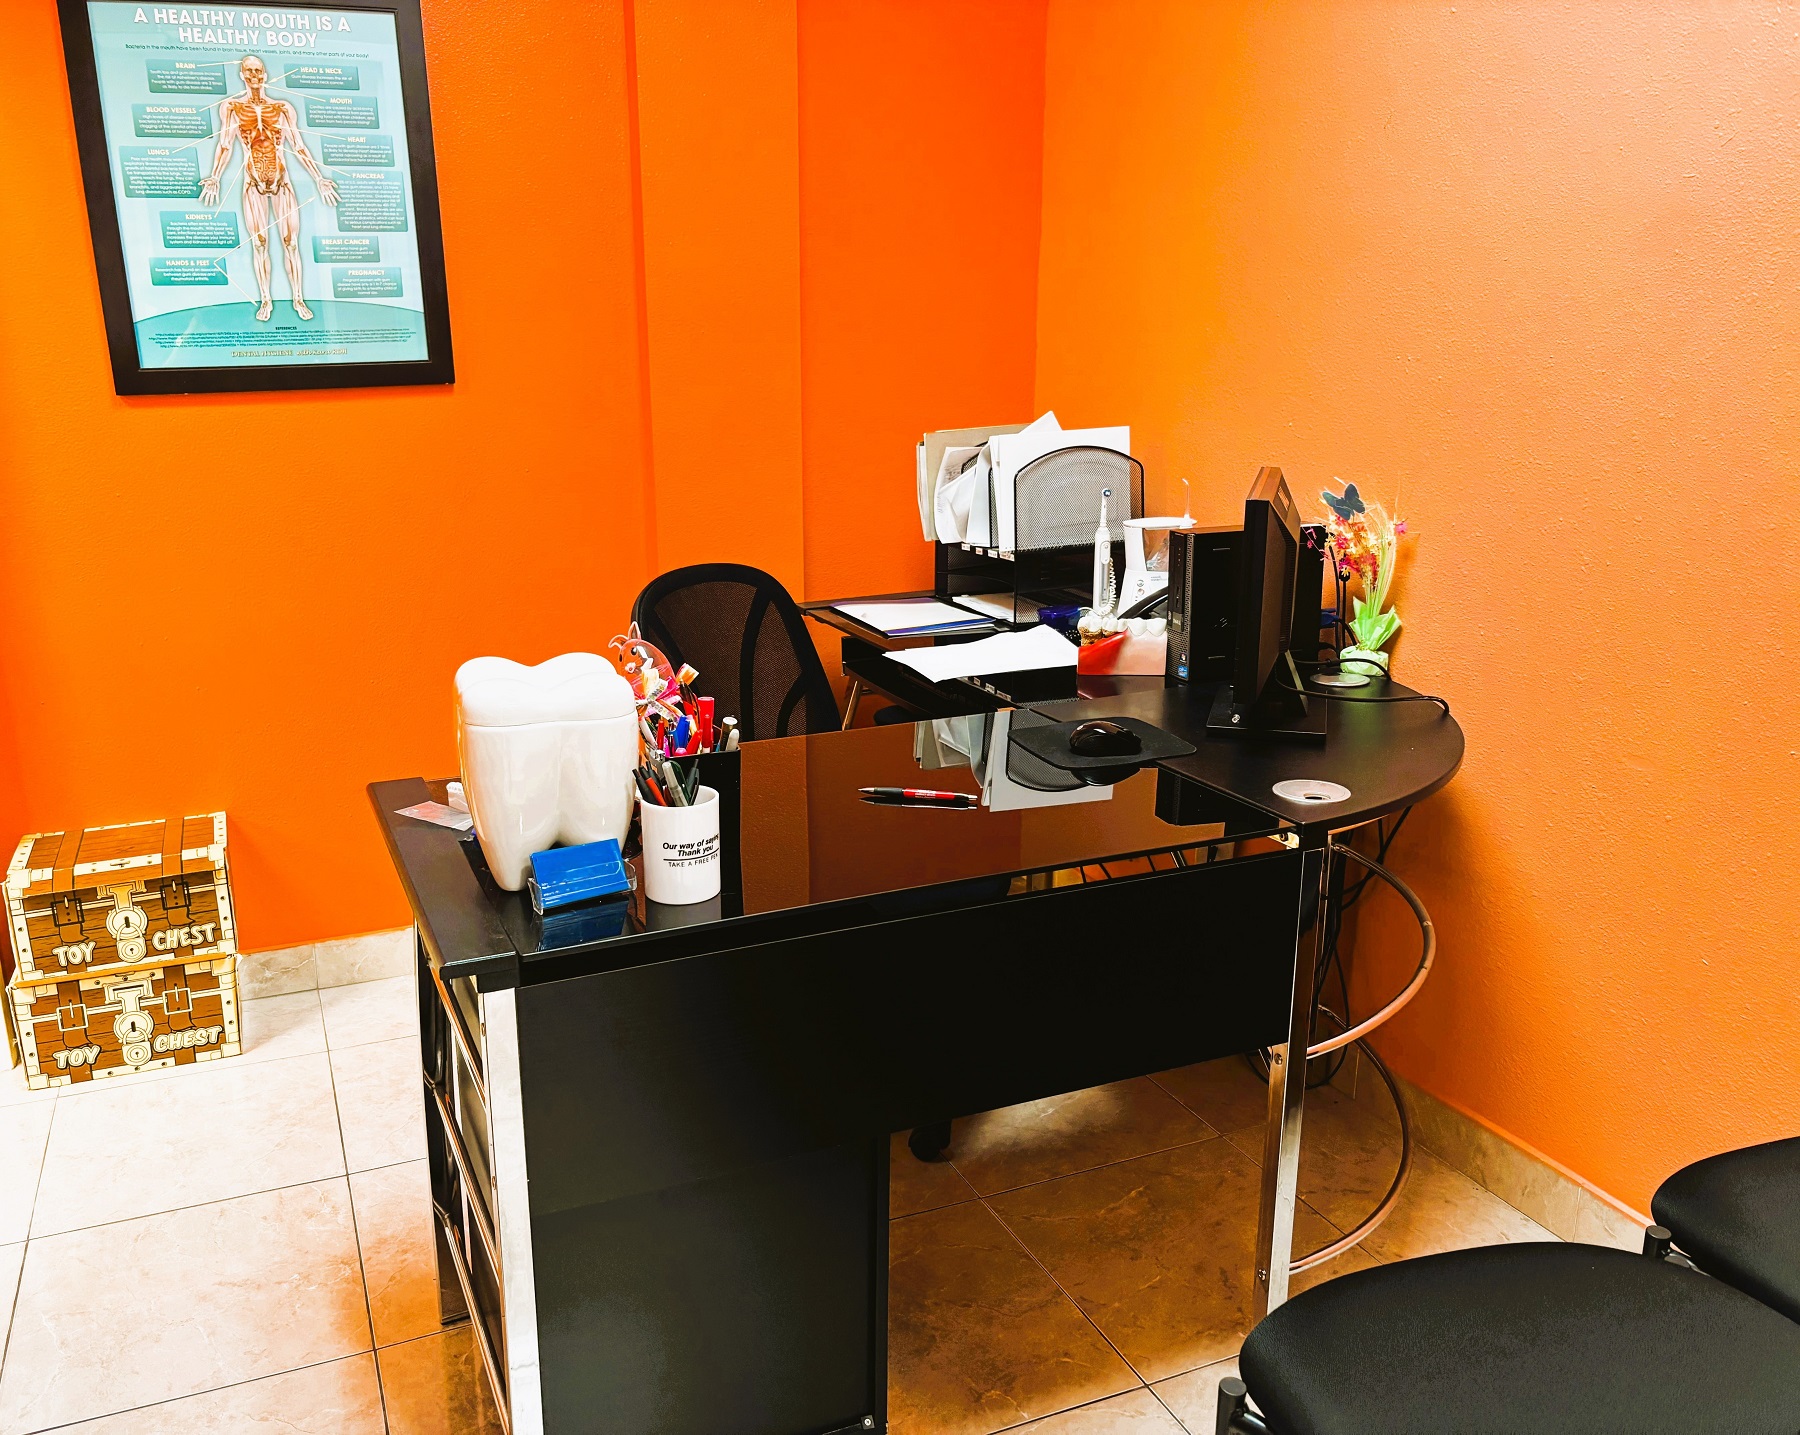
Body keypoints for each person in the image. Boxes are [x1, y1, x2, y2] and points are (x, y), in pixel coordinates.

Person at [199, 55, 339, 322]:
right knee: (260, 244)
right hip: (253, 181)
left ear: (265, 74)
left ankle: (298, 298)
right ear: (242, 75)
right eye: (249, 71)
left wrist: (318, 177)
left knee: (291, 243)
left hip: (281, 180)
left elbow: (298, 145)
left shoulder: (282, 108)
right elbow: (226, 144)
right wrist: (215, 176)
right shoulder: (232, 108)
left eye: (258, 71)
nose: (254, 76)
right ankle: (266, 300)